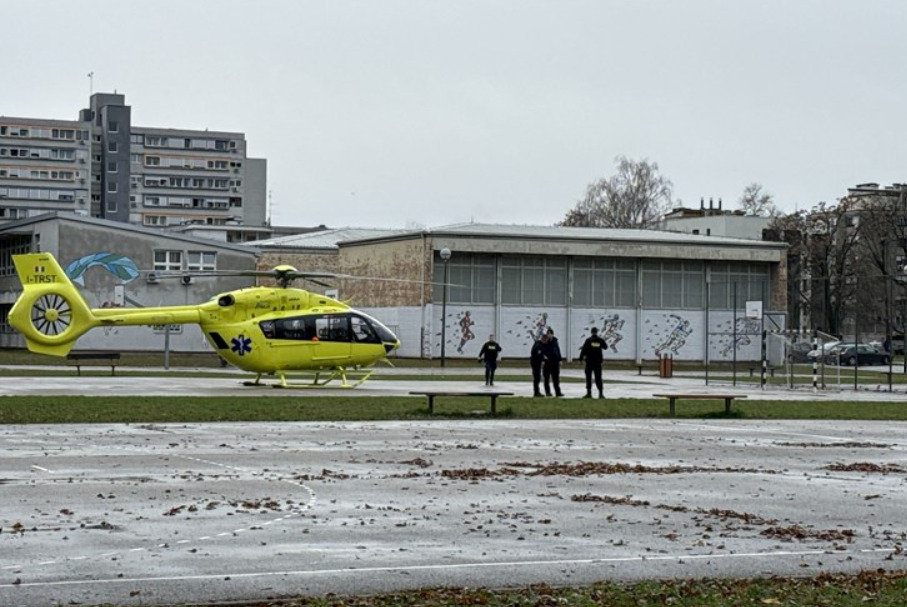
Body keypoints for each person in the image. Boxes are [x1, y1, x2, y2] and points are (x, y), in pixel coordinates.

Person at [579, 327, 608, 399]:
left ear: (591, 332)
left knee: (588, 378)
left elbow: (584, 350)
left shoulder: (588, 340)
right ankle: (601, 394)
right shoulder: (600, 340)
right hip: (597, 362)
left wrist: (580, 358)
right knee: (598, 378)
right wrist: (602, 341)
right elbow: (605, 347)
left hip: (589, 362)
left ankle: (589, 393)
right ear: (597, 332)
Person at [541, 327, 564, 397]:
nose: (549, 335)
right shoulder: (544, 342)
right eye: (548, 334)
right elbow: (541, 350)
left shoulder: (555, 341)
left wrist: (560, 359)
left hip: (555, 362)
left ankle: (558, 392)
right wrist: (543, 357)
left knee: (556, 378)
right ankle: (548, 392)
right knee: (546, 378)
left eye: (550, 334)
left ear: (552, 334)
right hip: (547, 362)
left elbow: (558, 351)